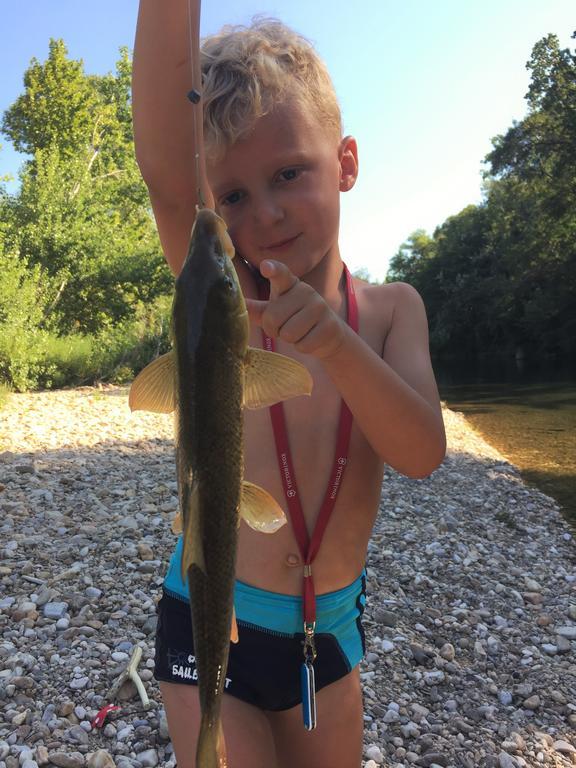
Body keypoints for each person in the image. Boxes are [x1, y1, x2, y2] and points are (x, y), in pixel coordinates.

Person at [132, 2, 446, 766]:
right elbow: (172, 180)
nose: (264, 215)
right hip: (209, 612)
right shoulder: (219, 288)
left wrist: (335, 345)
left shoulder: (391, 311)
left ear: (345, 163)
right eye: (232, 196)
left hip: (329, 638)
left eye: (289, 174)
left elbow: (422, 452)